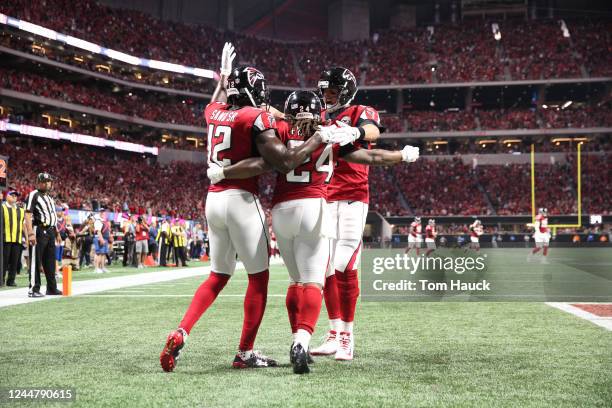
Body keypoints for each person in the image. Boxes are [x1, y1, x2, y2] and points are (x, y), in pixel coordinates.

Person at [211, 90, 419, 372]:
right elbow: (371, 158)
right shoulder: (330, 132)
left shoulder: (280, 128)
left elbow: (263, 147)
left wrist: (225, 170)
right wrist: (401, 155)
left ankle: (298, 337)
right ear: (318, 110)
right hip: (315, 207)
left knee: (295, 281)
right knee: (313, 283)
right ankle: (301, 341)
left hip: (282, 210)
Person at [160, 43, 336, 372]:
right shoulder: (256, 117)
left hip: (212, 199)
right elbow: (279, 160)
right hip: (241, 199)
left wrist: (223, 77)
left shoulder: (213, 112)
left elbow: (217, 100)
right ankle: (244, 352)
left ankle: (181, 330)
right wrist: (317, 137)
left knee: (217, 275)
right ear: (254, 92)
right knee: (259, 280)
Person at [312, 66, 385, 361]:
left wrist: (355, 131)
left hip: (354, 196)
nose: (327, 97)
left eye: (332, 92)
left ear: (345, 91)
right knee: (327, 268)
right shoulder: (321, 118)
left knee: (344, 265)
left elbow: (374, 131)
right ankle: (332, 332)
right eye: (325, 92)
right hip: (326, 197)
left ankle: (347, 336)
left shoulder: (360, 111)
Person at [24, 173, 62, 297]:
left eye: (49, 181)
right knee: (36, 260)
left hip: (50, 231)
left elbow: (52, 217)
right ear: (39, 182)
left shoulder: (50, 198)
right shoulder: (33, 195)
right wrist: (30, 233)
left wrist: (56, 233)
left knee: (50, 261)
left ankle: (51, 288)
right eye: (44, 181)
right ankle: (33, 289)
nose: (47, 184)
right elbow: (28, 214)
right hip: (39, 229)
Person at [2, 189, 25, 287]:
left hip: (17, 239)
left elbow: (23, 225)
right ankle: (1, 280)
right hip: (5, 239)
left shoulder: (21, 210)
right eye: (12, 195)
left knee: (15, 262)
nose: (14, 197)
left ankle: (11, 280)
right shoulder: (2, 208)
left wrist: (27, 237)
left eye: (16, 196)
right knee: (3, 261)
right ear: (7, 196)